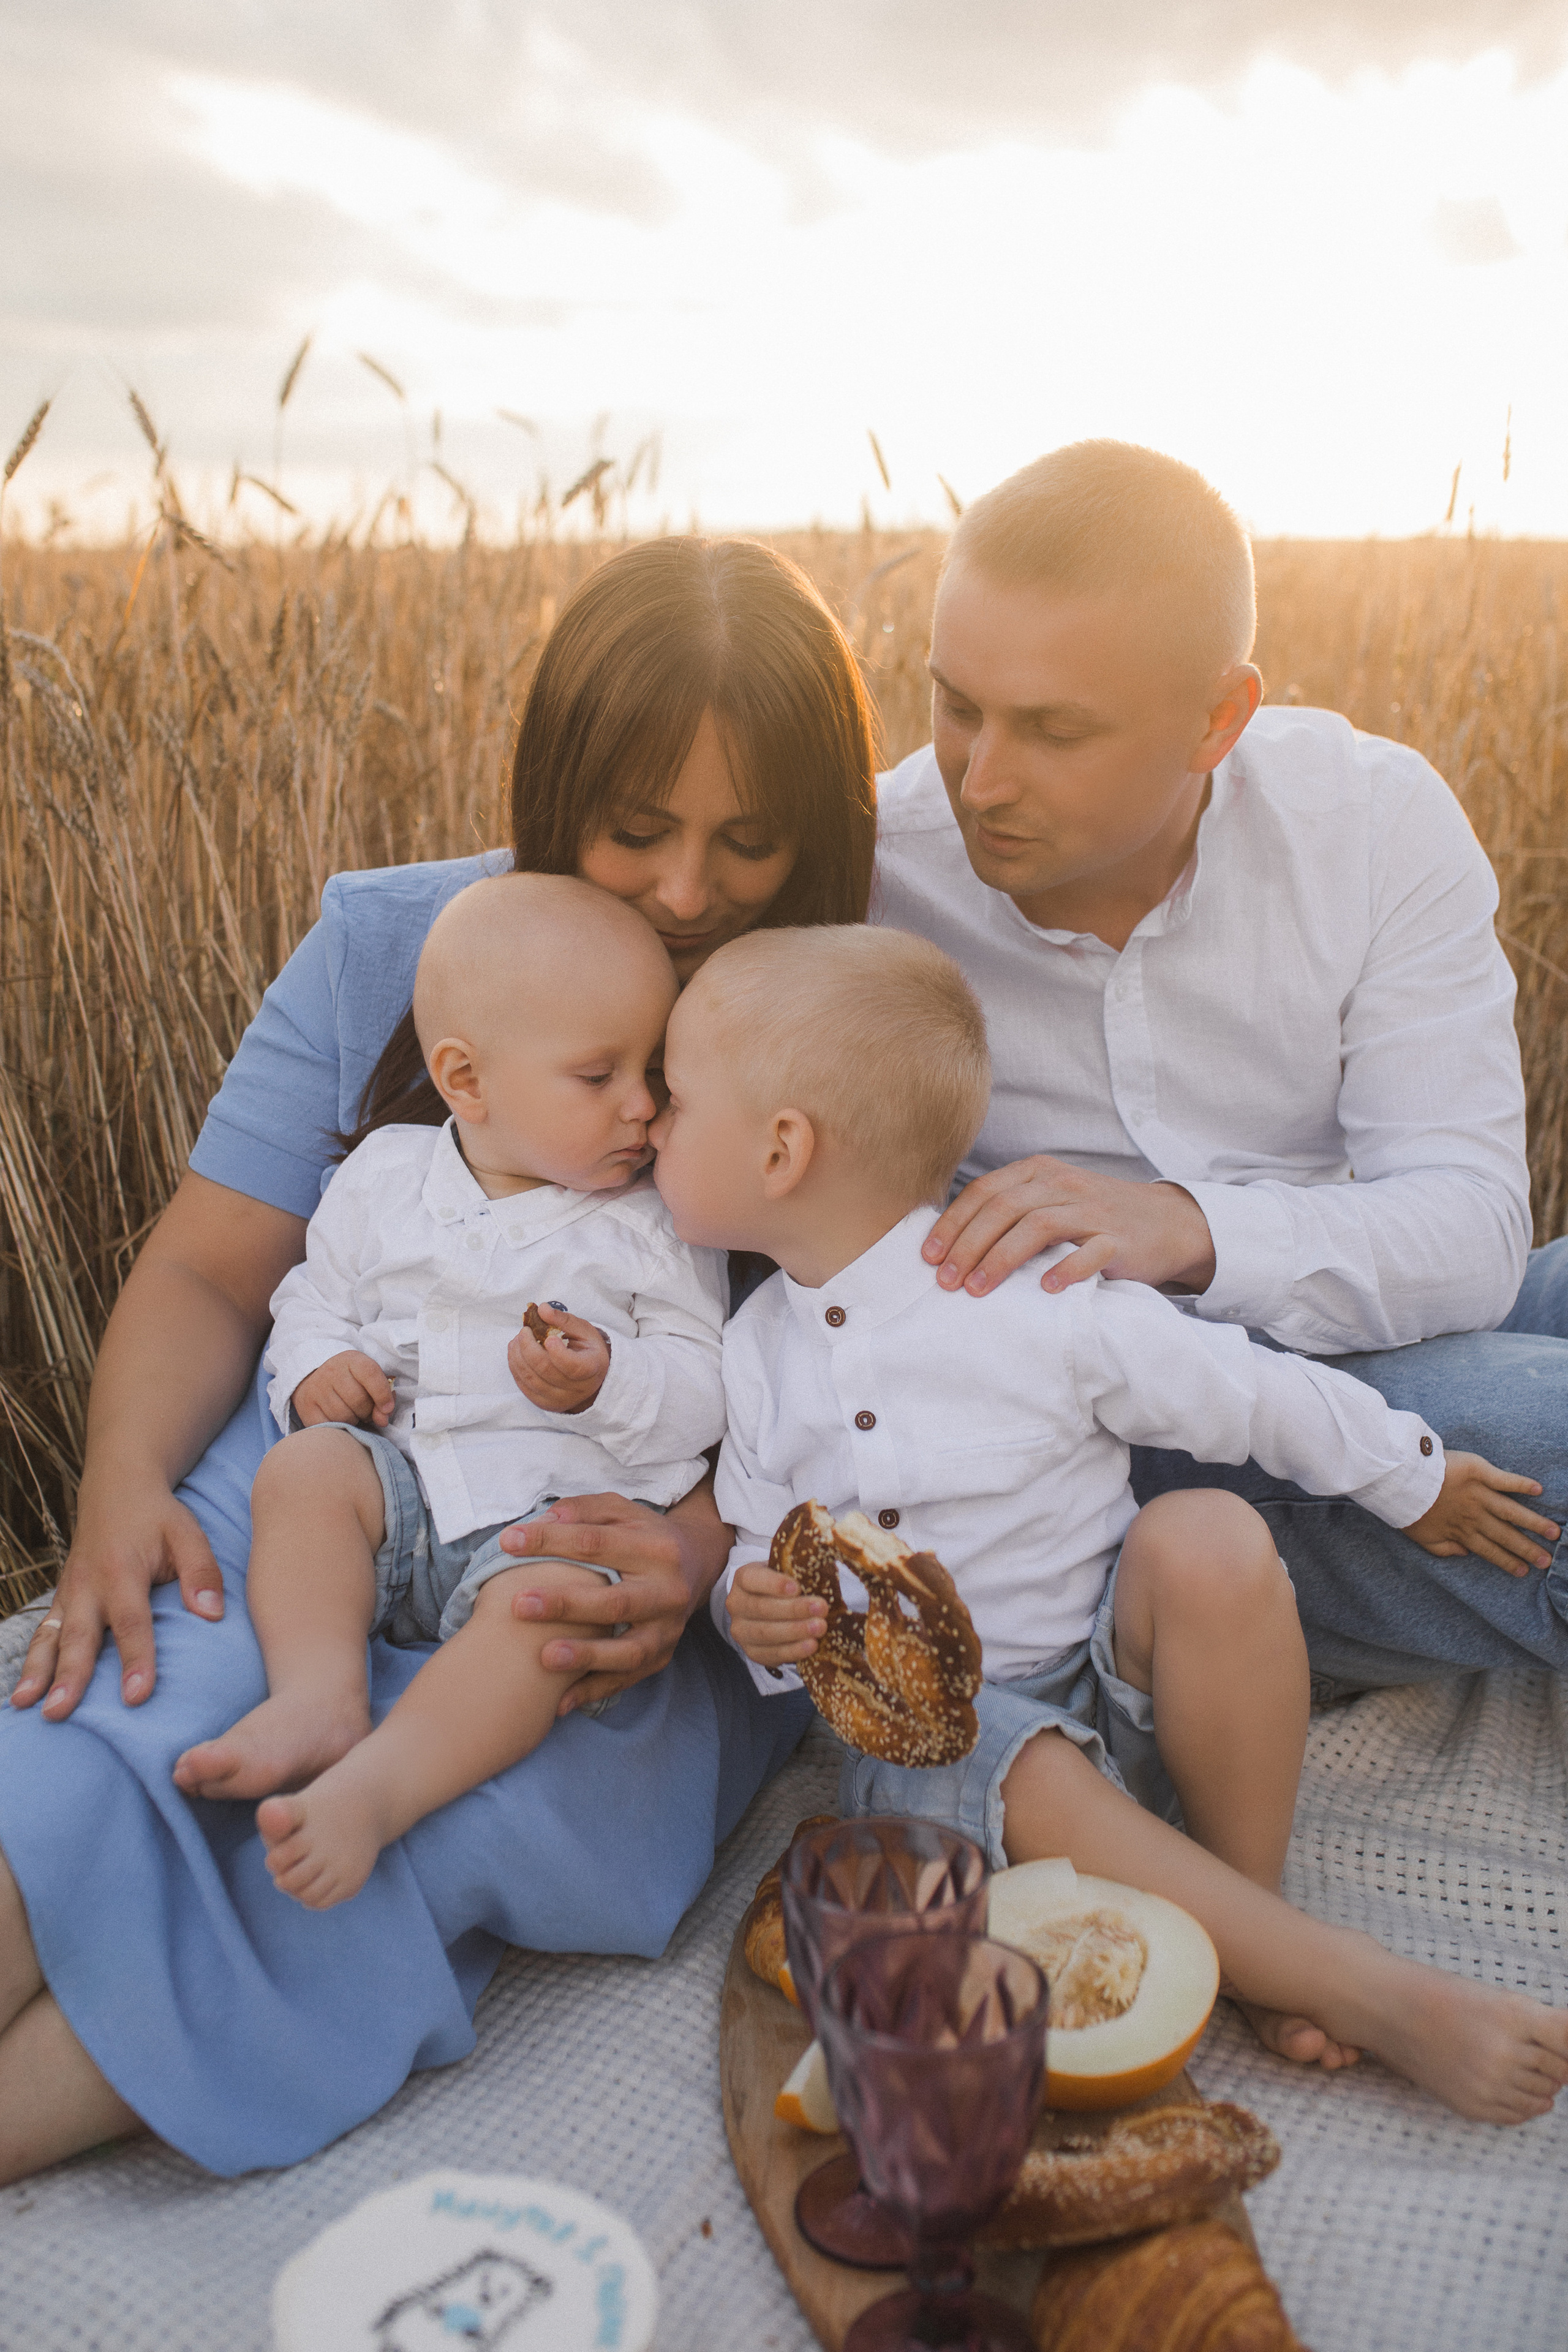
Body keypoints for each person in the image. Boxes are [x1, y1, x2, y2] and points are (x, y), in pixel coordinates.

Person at [0, 536, 878, 2184]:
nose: (688, 892)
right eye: (636, 831)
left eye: (749, 845)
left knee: (408, 1833)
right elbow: (210, 1267)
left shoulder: (854, 1017)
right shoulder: (399, 945)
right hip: (351, 1468)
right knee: (119, 1725)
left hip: (623, 1560)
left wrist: (693, 1552)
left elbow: (880, 1373)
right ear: (554, 792)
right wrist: (122, 1490)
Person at [650, 922, 1568, 2126]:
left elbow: (1246, 1387)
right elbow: (757, 1542)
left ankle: (1248, 1921)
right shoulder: (757, 1355)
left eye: (672, 1099)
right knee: (1000, 1755)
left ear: (781, 1149)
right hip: (948, 1756)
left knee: (1203, 1536)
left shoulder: (1031, 1296)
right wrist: (751, 1612)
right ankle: (1354, 1985)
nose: (650, 1127)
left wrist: (1414, 1477)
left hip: (1105, 1668)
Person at [870, 439, 1568, 1700]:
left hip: (1348, 1333)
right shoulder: (868, 873)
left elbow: (1470, 1234)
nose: (979, 778)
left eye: (1052, 730)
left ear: (1217, 721)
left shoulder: (1368, 824)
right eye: (954, 703)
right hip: (1099, 1434)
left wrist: (1184, 1231)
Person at [175, 875, 730, 1911]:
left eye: (651, 1069)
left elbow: (707, 1390)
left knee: (551, 1612)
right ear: (466, 1081)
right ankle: (317, 1694)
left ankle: (384, 1789)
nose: (644, 1105)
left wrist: (611, 1380)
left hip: (551, 1519)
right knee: (305, 1472)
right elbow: (313, 1302)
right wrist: (314, 1375)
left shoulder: (657, 1222)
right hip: (407, 1485)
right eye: (599, 1075)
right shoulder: (386, 1176)